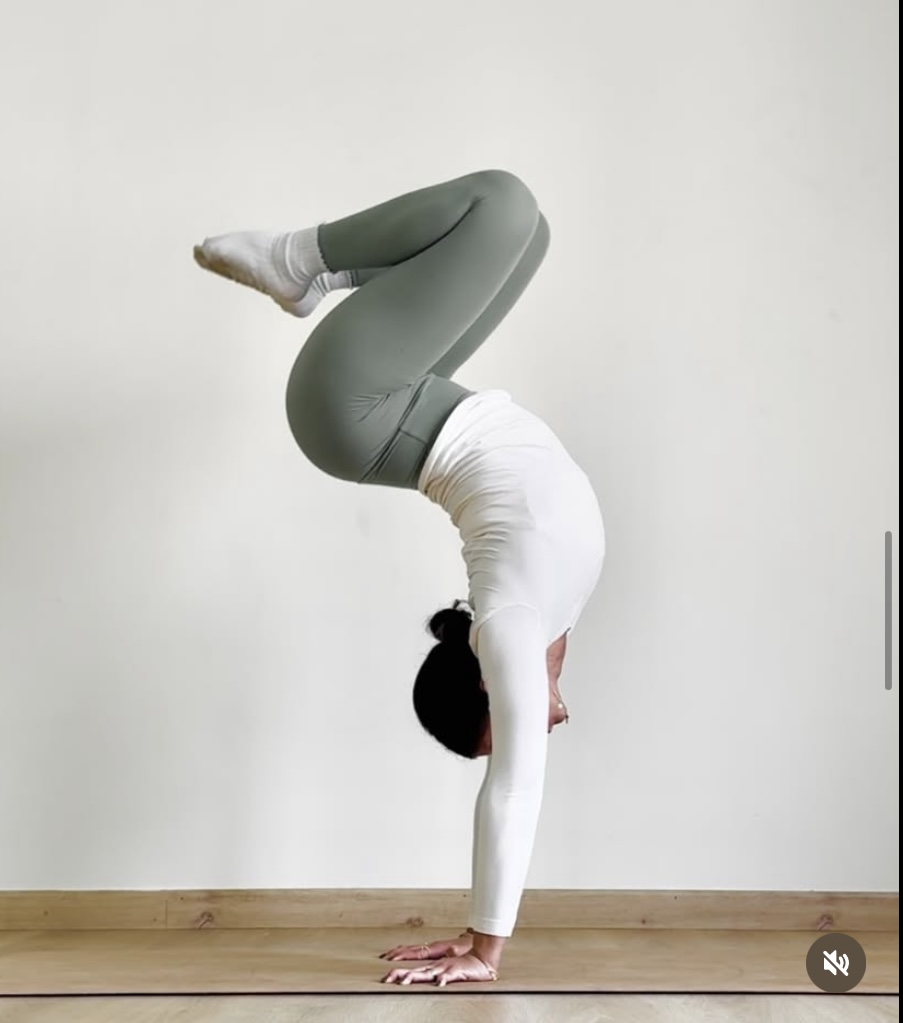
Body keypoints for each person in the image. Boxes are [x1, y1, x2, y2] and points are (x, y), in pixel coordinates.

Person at [193, 169, 605, 987]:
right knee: (529, 236)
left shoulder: (509, 621)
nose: (542, 725)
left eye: (510, 721)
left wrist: (484, 944)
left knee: (501, 205)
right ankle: (331, 270)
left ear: (490, 683)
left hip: (353, 408)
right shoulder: (555, 612)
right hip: (404, 399)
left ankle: (297, 260)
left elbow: (512, 788)